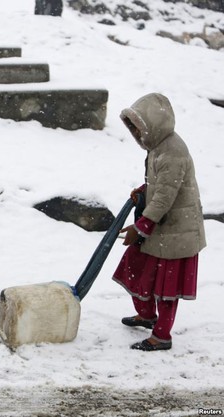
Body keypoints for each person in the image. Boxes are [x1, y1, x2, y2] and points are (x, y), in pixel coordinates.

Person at [112, 93, 206, 351]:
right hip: (161, 227)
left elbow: (165, 197)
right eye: (132, 129)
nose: (136, 134)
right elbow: (161, 185)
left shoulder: (173, 152)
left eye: (139, 128)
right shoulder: (159, 148)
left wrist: (140, 227)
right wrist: (144, 190)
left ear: (153, 125)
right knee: (135, 266)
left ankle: (161, 336)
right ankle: (146, 315)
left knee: (167, 287)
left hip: (177, 232)